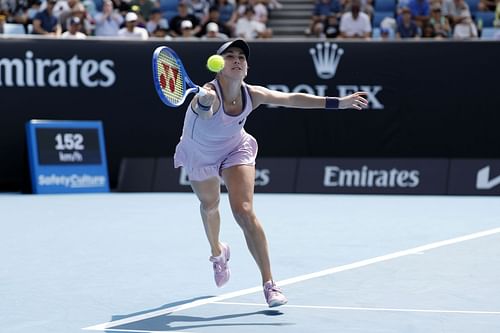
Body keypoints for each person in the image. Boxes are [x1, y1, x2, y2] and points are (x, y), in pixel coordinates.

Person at [172, 39, 368, 307]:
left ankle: (269, 284)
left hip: (234, 149)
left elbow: (292, 99)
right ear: (218, 66)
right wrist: (203, 103)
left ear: (247, 68)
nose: (237, 60)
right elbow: (203, 114)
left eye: (241, 57)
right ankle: (218, 253)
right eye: (229, 56)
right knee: (209, 205)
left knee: (243, 210)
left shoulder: (253, 94)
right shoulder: (208, 94)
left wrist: (338, 103)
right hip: (200, 154)